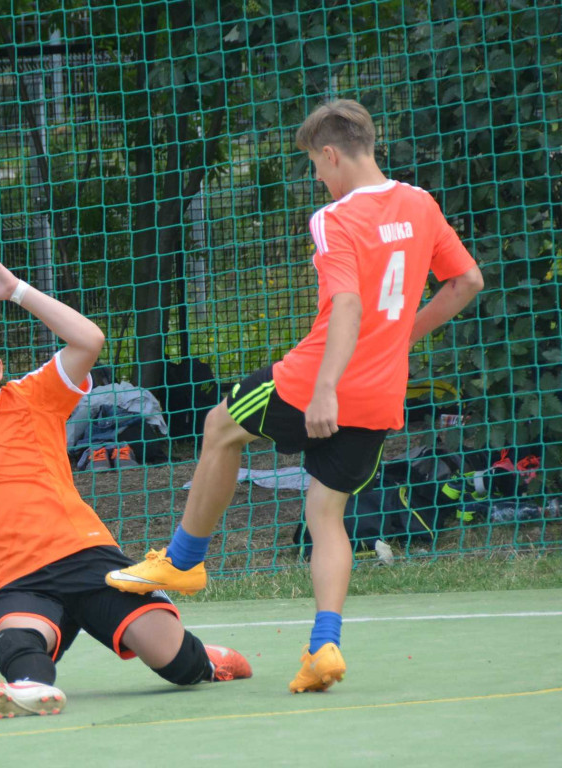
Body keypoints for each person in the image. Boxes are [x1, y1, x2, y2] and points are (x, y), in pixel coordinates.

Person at [106, 99, 484, 694]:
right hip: (384, 391)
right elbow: (467, 282)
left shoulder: (335, 219)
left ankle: (181, 561)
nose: (315, 177)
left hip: (314, 381)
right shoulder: (420, 204)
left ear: (331, 153)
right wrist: (404, 334)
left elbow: (351, 306)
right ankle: (323, 647)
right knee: (324, 513)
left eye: (314, 164)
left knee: (219, 425)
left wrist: (327, 387)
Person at [0, 239, 252, 719]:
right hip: (19, 580)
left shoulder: (33, 397)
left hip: (85, 557)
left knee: (178, 667)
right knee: (16, 644)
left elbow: (89, 340)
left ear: (0, 368)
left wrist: (16, 289)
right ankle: (31, 689)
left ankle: (206, 659)